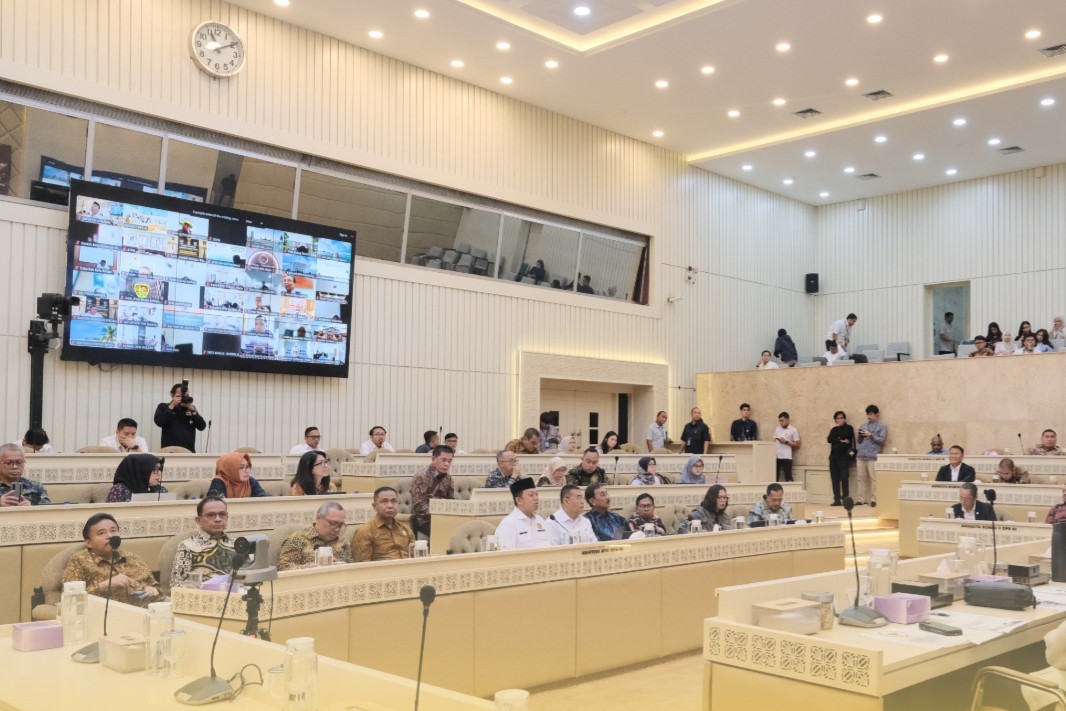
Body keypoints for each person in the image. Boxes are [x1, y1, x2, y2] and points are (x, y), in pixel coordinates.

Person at [63, 513, 160, 606]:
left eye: (113, 531)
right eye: (101, 533)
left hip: (142, 612)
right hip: (102, 614)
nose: (110, 536)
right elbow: (71, 599)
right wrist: (105, 585)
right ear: (89, 543)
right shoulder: (79, 560)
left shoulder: (133, 558)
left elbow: (158, 588)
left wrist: (154, 591)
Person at [170, 496, 236, 588]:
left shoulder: (237, 544)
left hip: (237, 593)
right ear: (199, 520)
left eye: (222, 514)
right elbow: (176, 584)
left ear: (227, 517)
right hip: (203, 594)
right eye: (211, 515)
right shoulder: (187, 546)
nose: (218, 519)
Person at [277, 502, 353, 570]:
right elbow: (284, 568)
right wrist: (313, 567)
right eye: (333, 523)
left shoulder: (343, 541)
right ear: (318, 518)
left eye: (341, 525)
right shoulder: (297, 539)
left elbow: (351, 568)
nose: (337, 529)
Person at [353, 486, 415, 561]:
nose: (390, 506)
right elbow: (362, 563)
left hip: (408, 567)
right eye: (384, 502)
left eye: (394, 501)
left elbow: (415, 556)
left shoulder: (405, 529)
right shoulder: (365, 531)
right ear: (374, 506)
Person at [409, 445, 455, 537]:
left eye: (449, 461)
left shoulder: (448, 477)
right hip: (422, 519)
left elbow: (450, 500)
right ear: (433, 459)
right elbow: (419, 505)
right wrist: (439, 513)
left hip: (442, 516)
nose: (447, 464)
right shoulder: (422, 476)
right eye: (444, 460)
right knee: (445, 531)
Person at [495, 478, 551, 550]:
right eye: (531, 495)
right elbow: (507, 554)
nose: (536, 498)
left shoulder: (540, 520)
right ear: (519, 500)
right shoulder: (508, 524)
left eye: (537, 494)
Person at [153, 383, 207, 452]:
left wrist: (193, 410)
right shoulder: (163, 407)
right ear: (172, 395)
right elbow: (159, 422)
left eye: (186, 395)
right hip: (169, 451)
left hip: (188, 452)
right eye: (180, 395)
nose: (183, 398)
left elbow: (202, 426)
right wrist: (172, 405)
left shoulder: (190, 409)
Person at [855, 405, 886, 507]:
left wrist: (871, 435)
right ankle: (861, 499)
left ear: (877, 414)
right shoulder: (863, 425)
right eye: (867, 414)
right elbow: (859, 441)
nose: (869, 416)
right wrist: (860, 435)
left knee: (873, 478)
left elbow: (882, 440)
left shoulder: (881, 426)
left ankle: (874, 499)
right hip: (861, 455)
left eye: (871, 414)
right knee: (860, 478)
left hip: (873, 456)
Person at [826, 411, 854, 506]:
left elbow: (846, 436)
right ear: (835, 420)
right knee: (834, 478)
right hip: (833, 457)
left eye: (841, 418)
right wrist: (841, 440)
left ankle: (845, 499)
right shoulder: (834, 429)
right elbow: (829, 439)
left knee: (844, 478)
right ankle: (837, 500)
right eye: (837, 418)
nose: (839, 420)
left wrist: (838, 438)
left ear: (844, 419)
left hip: (844, 457)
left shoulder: (849, 428)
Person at [773, 412, 800, 483]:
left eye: (782, 420)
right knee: (774, 476)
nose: (781, 423)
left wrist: (786, 442)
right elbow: (774, 440)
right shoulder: (777, 429)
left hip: (786, 456)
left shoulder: (793, 430)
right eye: (779, 421)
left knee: (788, 476)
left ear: (788, 420)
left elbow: (797, 444)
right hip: (777, 455)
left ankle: (791, 489)